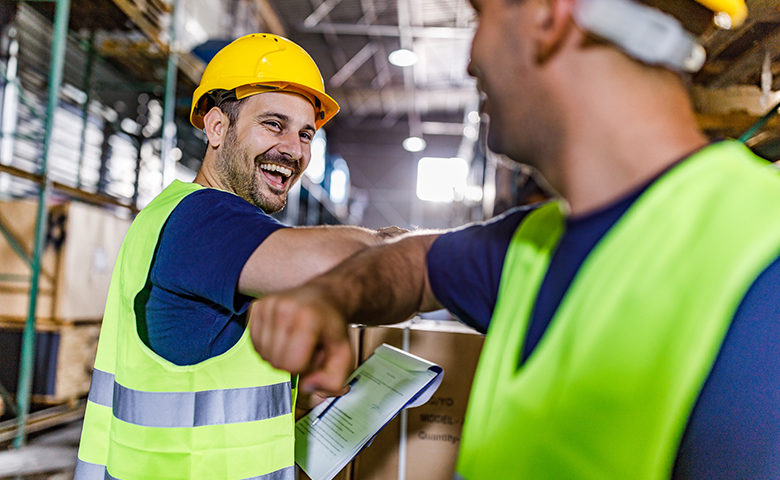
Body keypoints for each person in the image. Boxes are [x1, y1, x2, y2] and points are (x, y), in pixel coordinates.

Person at [249, 0, 780, 478]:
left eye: (483, 15)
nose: (469, 62)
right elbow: (416, 265)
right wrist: (330, 298)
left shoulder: (762, 266)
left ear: (549, 17)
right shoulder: (533, 244)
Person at [75, 34, 401, 480]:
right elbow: (342, 267)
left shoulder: (182, 220)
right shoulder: (204, 219)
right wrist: (418, 248)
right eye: (273, 124)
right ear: (216, 128)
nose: (294, 149)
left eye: (306, 133)